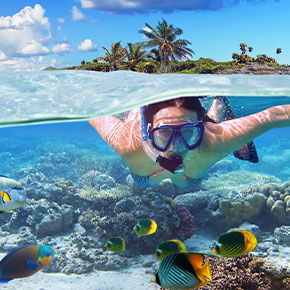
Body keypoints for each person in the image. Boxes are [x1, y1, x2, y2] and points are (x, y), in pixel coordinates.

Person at [88, 97, 290, 188]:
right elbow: (90, 109)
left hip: (187, 180)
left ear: (200, 128)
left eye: (189, 132)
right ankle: (216, 106)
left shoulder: (214, 140)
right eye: (164, 133)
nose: (177, 147)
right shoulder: (128, 144)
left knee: (213, 123)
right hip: (147, 178)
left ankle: (217, 106)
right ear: (148, 132)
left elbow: (272, 117)